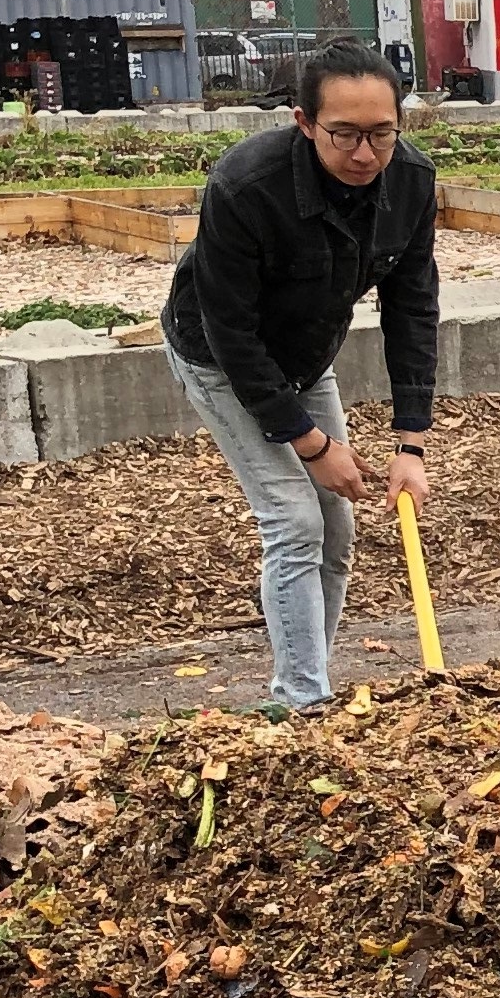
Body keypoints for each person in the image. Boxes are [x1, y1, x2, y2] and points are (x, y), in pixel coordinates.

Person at [161, 36, 437, 716]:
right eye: (343, 134)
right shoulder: (245, 186)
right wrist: (311, 445)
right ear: (304, 122)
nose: (364, 154)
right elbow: (231, 332)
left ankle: (311, 673)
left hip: (307, 356)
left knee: (336, 531)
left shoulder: (411, 183)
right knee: (293, 520)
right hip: (221, 357)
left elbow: (412, 306)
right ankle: (302, 704)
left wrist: (410, 443)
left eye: (382, 134)